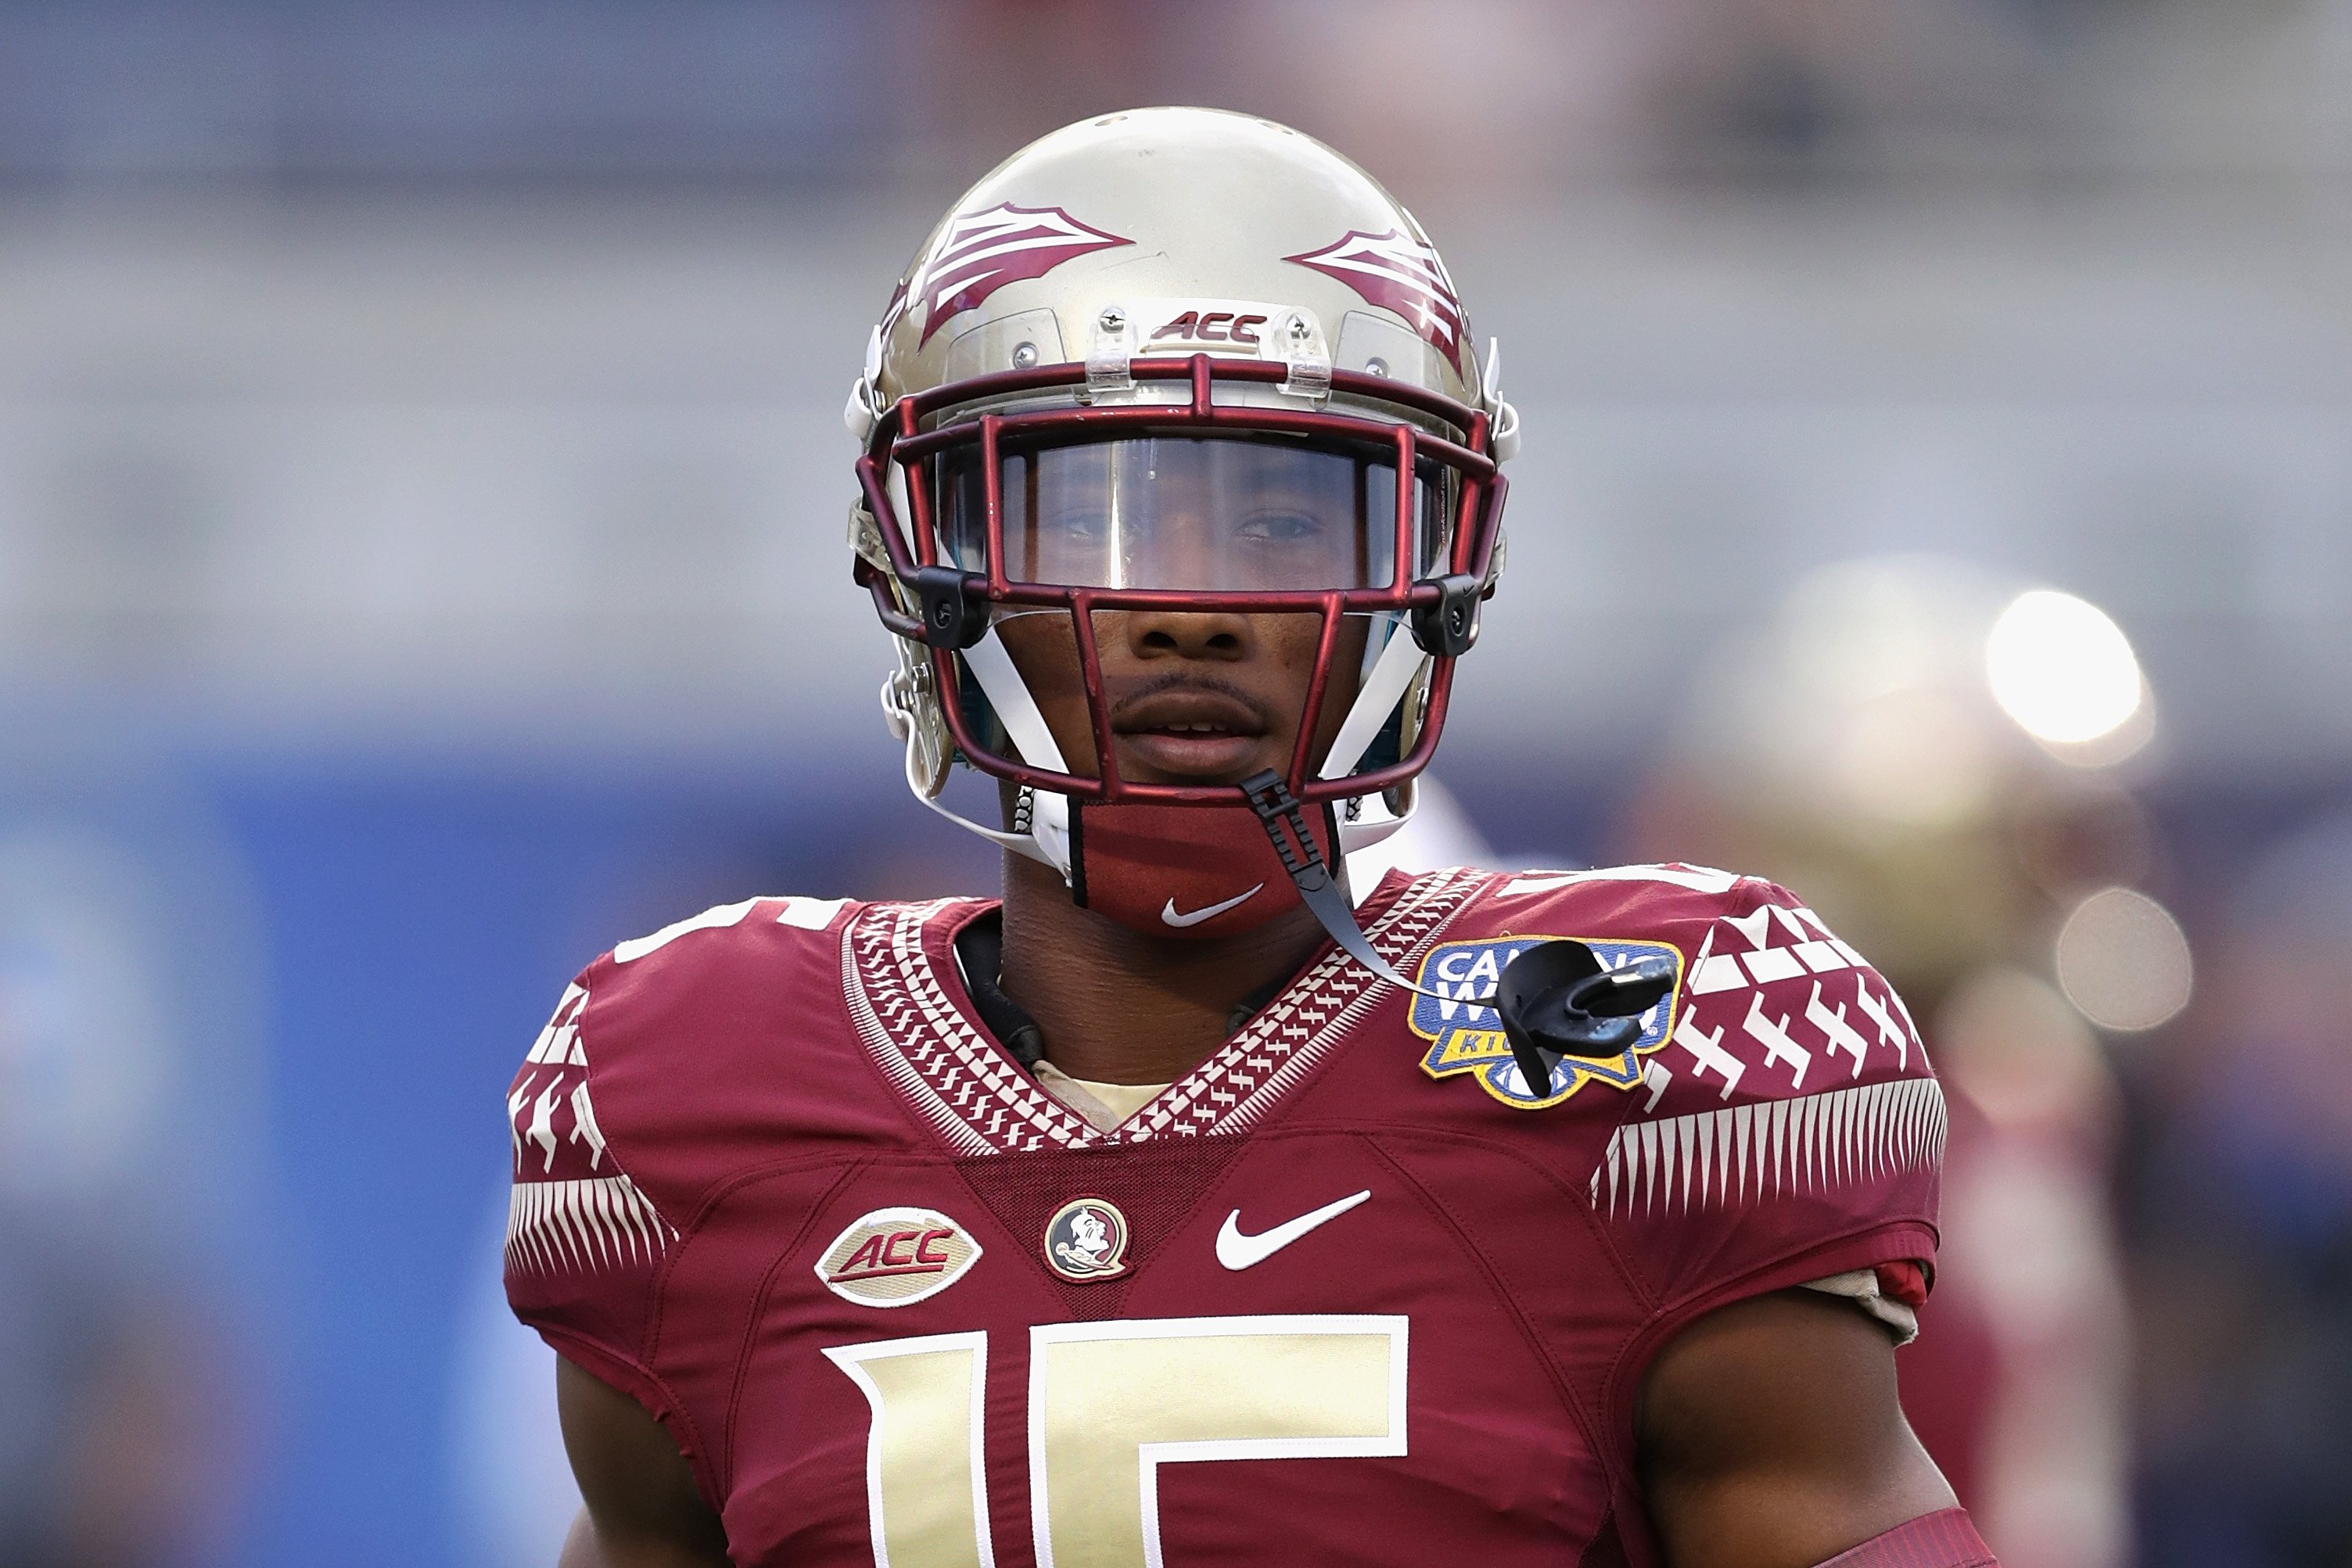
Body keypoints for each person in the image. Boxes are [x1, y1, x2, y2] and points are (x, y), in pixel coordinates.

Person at [505, 107, 1993, 1568]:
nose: (1188, 603)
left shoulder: (1645, 1045)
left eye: (1287, 523)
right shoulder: (693, 1092)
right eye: (1089, 517)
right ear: (927, 555)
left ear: (1438, 564)